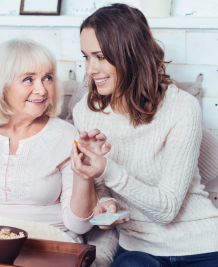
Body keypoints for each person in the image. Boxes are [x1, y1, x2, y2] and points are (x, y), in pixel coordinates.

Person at [0, 38, 119, 244]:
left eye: (48, 78)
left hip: (44, 244)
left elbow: (79, 225)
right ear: (2, 85)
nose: (42, 90)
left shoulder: (67, 136)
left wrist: (83, 175)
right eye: (28, 79)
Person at [72, 3, 218, 266]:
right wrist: (105, 201)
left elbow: (167, 209)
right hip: (138, 249)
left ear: (130, 54)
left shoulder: (182, 107)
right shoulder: (86, 112)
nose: (90, 69)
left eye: (101, 56)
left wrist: (108, 169)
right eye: (86, 56)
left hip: (201, 246)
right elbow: (101, 183)